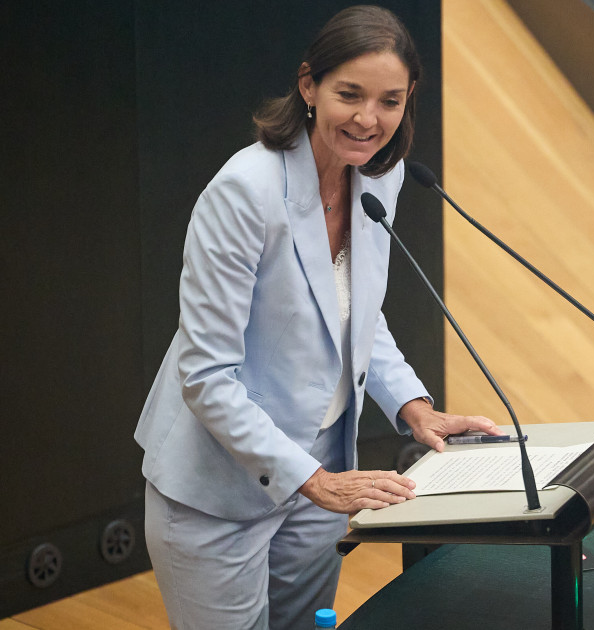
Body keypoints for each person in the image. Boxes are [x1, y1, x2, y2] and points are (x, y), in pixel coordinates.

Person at [134, 6, 501, 628]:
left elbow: (356, 316)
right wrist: (313, 482)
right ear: (309, 86)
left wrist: (414, 408)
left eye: (389, 100)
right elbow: (205, 374)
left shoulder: (382, 178)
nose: (368, 119)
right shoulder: (245, 192)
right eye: (349, 95)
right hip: (218, 491)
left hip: (324, 474)